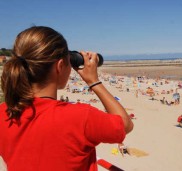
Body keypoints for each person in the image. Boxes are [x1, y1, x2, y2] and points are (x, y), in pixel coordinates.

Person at [0, 26, 134, 171]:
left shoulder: (4, 113)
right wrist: (94, 82)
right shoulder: (80, 117)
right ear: (60, 65)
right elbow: (125, 125)